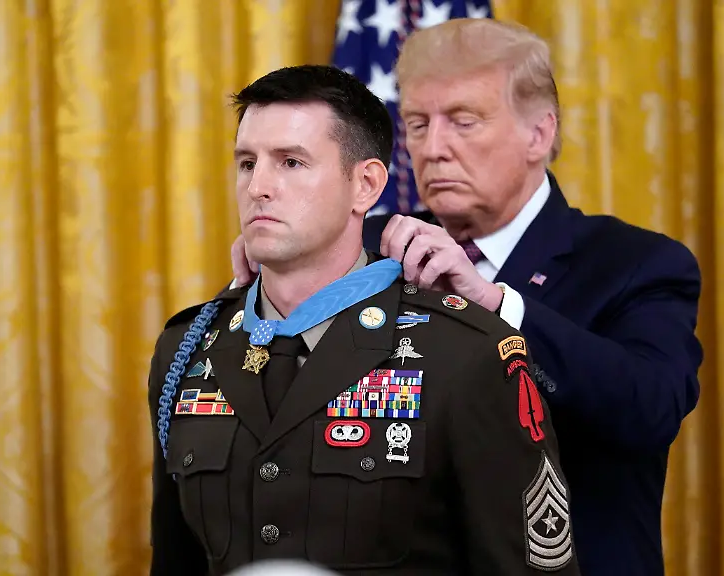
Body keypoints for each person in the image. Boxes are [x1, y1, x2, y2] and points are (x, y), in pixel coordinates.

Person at [230, 19, 703, 576]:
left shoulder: (634, 263)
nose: (433, 149)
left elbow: (650, 408)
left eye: (463, 121)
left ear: (539, 134)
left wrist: (496, 305)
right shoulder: (360, 248)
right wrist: (261, 295)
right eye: (418, 124)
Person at [148, 64, 581, 575]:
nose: (258, 186)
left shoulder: (467, 353)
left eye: (290, 162)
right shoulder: (187, 348)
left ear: (366, 186)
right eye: (247, 163)